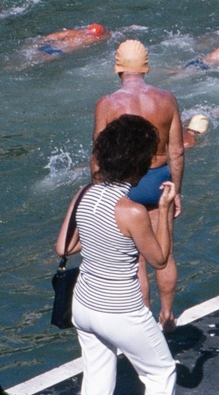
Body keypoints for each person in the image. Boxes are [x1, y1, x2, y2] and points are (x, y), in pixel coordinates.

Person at [57, 114, 177, 394]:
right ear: (142, 164)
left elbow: (64, 248)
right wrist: (165, 209)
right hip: (121, 310)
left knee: (97, 377)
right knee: (161, 372)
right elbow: (159, 260)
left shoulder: (84, 193)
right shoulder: (131, 211)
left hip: (84, 306)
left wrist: (104, 239)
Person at [92, 40, 184, 332]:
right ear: (146, 67)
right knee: (164, 252)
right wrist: (175, 190)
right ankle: (167, 316)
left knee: (136, 260)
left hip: (124, 184)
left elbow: (98, 156)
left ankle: (143, 319)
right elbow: (177, 152)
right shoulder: (167, 99)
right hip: (159, 181)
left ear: (117, 67)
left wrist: (98, 192)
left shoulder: (107, 104)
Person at [33, 23, 108, 59]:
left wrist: (42, 41)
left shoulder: (73, 32)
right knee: (31, 63)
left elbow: (51, 37)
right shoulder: (93, 39)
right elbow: (108, 36)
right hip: (59, 51)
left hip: (50, 45)